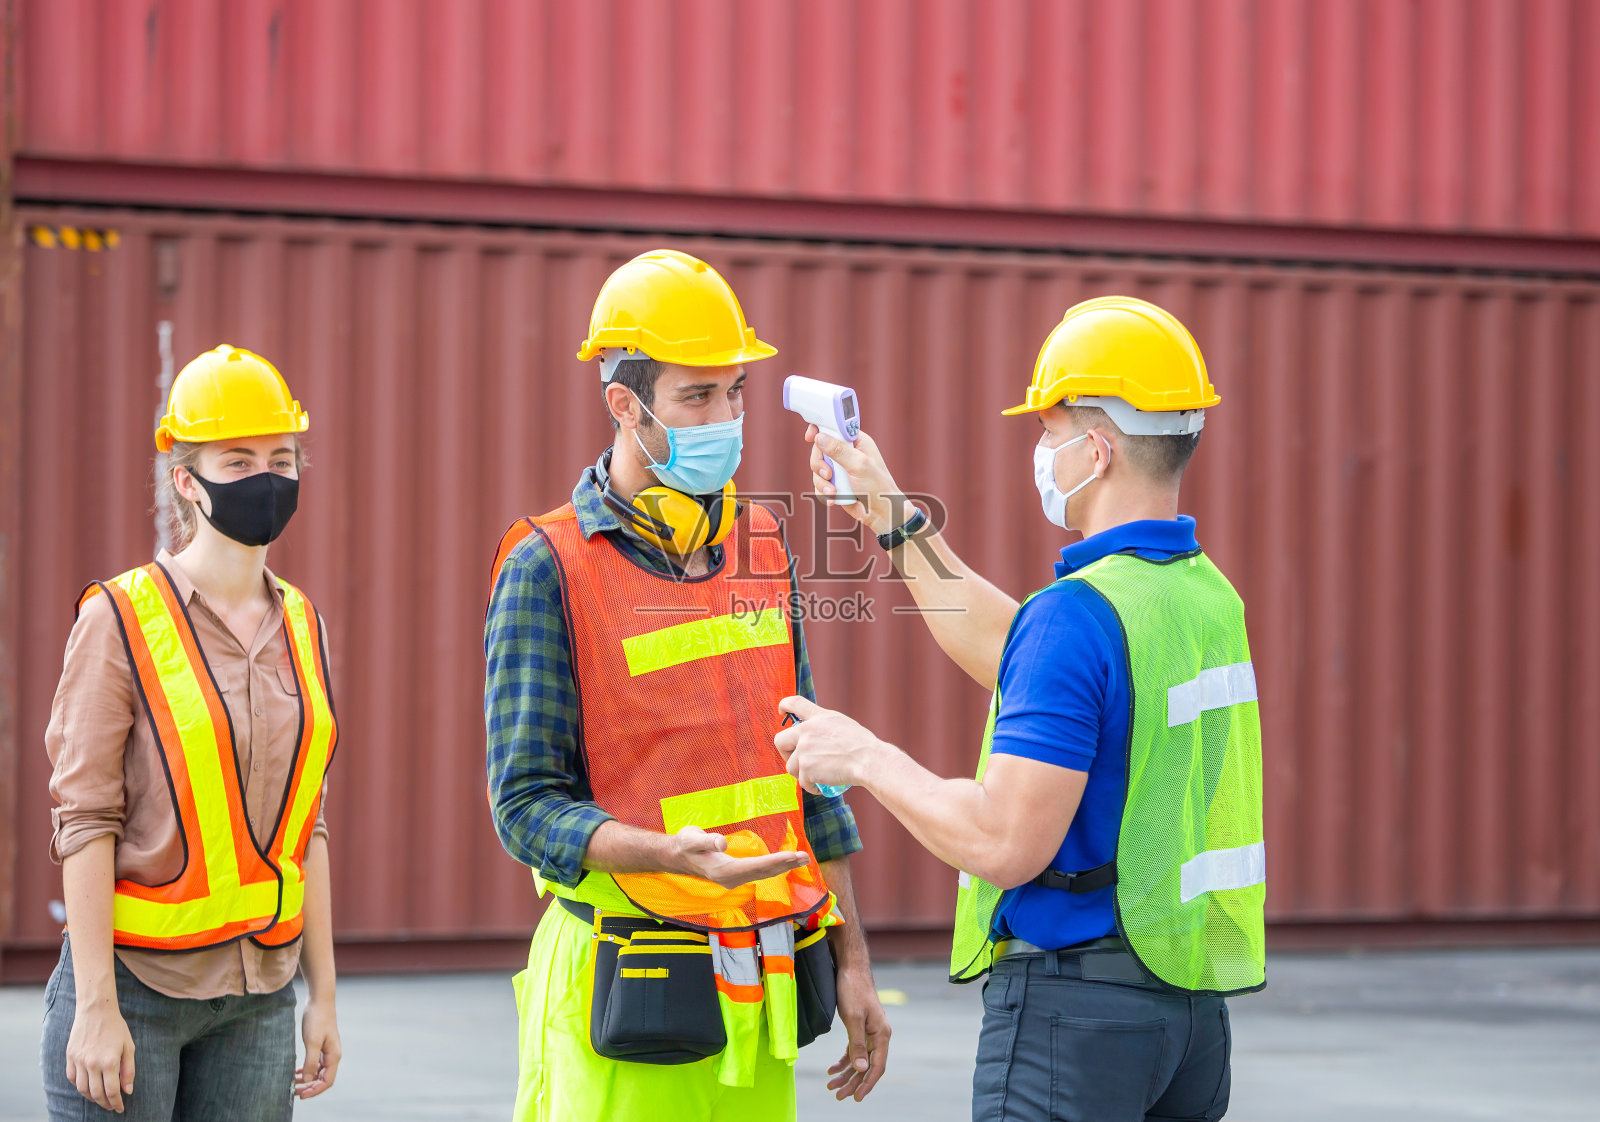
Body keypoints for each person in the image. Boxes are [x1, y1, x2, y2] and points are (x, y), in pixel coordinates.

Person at [777, 296, 1264, 1122]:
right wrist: (891, 512)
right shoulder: (1197, 596)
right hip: (1185, 1020)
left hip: (1073, 1025)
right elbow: (1026, 656)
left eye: (1047, 432)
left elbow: (1003, 841)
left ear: (1096, 448)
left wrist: (864, 756)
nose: (1040, 452)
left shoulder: (1079, 615)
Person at [485, 249, 890, 1122]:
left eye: (735, 392)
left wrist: (855, 962)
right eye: (698, 398)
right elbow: (525, 806)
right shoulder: (546, 566)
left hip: (754, 996)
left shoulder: (762, 546)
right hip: (618, 991)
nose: (728, 418)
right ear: (624, 407)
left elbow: (811, 779)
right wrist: (663, 855)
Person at [41, 345, 341, 1120]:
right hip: (137, 992)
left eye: (281, 456)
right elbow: (84, 822)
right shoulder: (118, 618)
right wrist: (96, 1008)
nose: (266, 477)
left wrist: (324, 999)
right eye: (236, 461)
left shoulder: (303, 624)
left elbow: (309, 827)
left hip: (261, 998)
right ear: (187, 481)